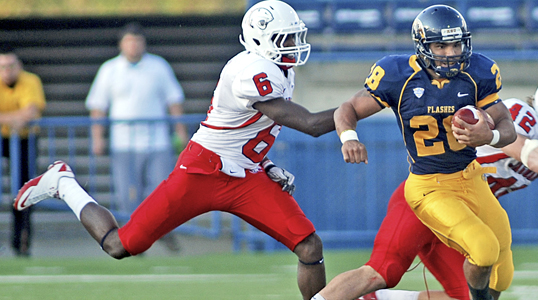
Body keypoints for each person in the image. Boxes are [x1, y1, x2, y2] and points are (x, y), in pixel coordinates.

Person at [14, 1, 333, 298]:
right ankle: (64, 183)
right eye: (285, 38)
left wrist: (264, 162)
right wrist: (368, 101)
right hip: (202, 171)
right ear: (261, 40)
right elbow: (310, 124)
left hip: (245, 175)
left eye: (294, 37)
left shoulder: (279, 70)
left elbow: (248, 128)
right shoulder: (250, 72)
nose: (293, 45)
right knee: (119, 245)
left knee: (309, 246)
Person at [337, 76, 538, 300]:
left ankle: (378, 299)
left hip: (466, 217)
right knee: (380, 270)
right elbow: (523, 149)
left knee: (484, 288)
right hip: (432, 197)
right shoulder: (520, 115)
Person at [314, 5, 519, 300]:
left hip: (471, 178)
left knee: (503, 271)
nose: (450, 53)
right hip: (430, 186)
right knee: (483, 248)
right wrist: (349, 137)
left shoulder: (478, 71)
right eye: (440, 45)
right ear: (423, 46)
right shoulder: (397, 75)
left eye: (455, 44)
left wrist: (491, 135)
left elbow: (506, 126)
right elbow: (348, 108)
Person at [85, 22, 188, 251]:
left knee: (160, 193)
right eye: (129, 41)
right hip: (124, 143)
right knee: (127, 195)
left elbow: (174, 101)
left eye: (137, 41)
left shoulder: (159, 66)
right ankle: (132, 241)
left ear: (144, 43)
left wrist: (181, 134)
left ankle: (161, 233)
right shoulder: (109, 69)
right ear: (121, 44)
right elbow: (98, 106)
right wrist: (97, 137)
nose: (133, 46)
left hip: (157, 141)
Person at [0, 45, 46, 257]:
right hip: (4, 137)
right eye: (3, 67)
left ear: (19, 66)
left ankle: (22, 243)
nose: (7, 71)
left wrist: (10, 119)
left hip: (25, 140)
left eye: (11, 66)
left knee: (25, 191)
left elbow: (30, 113)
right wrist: (14, 119)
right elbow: (21, 116)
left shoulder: (31, 81)